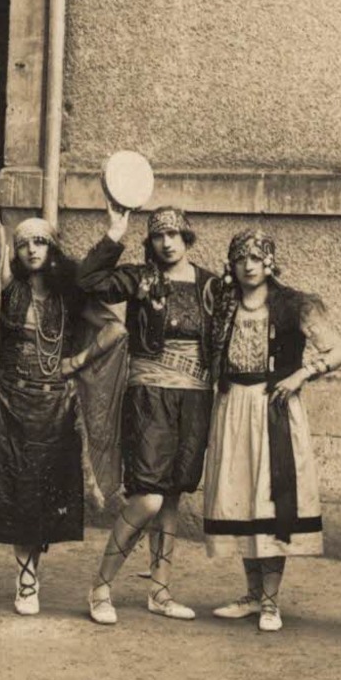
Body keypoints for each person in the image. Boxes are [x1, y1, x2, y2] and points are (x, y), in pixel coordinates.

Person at [0, 183, 120, 614]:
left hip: (54, 405)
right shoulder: (8, 286)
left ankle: (29, 575)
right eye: (24, 242)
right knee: (15, 490)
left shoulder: (70, 294)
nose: (31, 249)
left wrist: (77, 361)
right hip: (10, 402)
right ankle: (26, 579)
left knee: (44, 493)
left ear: (53, 248)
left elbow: (115, 329)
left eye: (40, 241)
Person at [77, 202, 221, 625]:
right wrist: (114, 233)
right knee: (149, 497)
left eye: (174, 234)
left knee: (172, 493)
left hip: (195, 396)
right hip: (149, 395)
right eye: (158, 235)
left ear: (187, 238)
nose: (166, 242)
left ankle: (160, 590)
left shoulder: (211, 285)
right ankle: (100, 586)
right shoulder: (141, 279)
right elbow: (88, 281)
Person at [204, 230, 341, 631]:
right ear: (232, 265)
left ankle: (271, 601)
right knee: (241, 496)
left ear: (269, 262)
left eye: (256, 258)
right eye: (241, 258)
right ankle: (252, 595)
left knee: (271, 499)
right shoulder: (224, 304)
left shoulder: (293, 304)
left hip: (273, 408)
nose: (249, 265)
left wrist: (302, 374)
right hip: (233, 405)